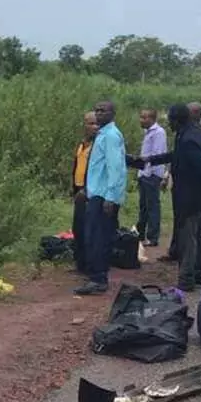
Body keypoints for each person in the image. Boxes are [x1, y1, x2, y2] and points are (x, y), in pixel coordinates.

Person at [132, 104, 201, 291]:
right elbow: (176, 156)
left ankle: (187, 280)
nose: (168, 123)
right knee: (193, 235)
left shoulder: (189, 139)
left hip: (192, 196)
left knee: (189, 238)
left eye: (170, 119)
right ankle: (196, 274)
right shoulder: (188, 132)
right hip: (189, 194)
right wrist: (150, 160)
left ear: (177, 120)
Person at [74, 100, 126, 295]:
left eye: (103, 111)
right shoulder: (102, 134)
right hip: (96, 193)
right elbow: (98, 168)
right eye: (96, 111)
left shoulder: (111, 136)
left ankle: (98, 279)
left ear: (113, 113)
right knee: (93, 236)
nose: (98, 114)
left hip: (104, 196)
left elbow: (116, 168)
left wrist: (111, 197)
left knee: (98, 237)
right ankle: (96, 276)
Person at [134, 108, 167, 248]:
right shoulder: (148, 132)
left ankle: (153, 237)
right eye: (141, 117)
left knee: (152, 206)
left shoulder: (158, 133)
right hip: (144, 173)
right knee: (144, 206)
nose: (141, 120)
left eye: (144, 117)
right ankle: (141, 234)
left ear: (152, 119)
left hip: (152, 174)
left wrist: (152, 174)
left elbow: (157, 155)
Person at [71, 111, 99, 273]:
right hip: (79, 191)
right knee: (78, 229)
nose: (94, 127)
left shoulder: (99, 145)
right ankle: (80, 263)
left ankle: (91, 266)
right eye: (90, 123)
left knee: (90, 231)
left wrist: (87, 189)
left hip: (91, 192)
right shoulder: (82, 144)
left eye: (96, 124)